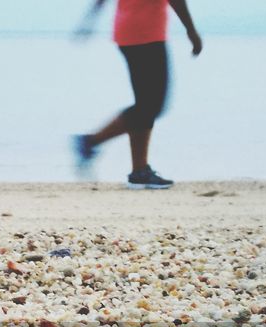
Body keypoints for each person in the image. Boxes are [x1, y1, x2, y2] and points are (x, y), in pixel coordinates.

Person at [73, 0, 202, 189]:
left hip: (127, 31)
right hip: (147, 33)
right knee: (151, 106)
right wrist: (191, 30)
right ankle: (91, 141)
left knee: (146, 105)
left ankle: (139, 171)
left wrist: (89, 20)